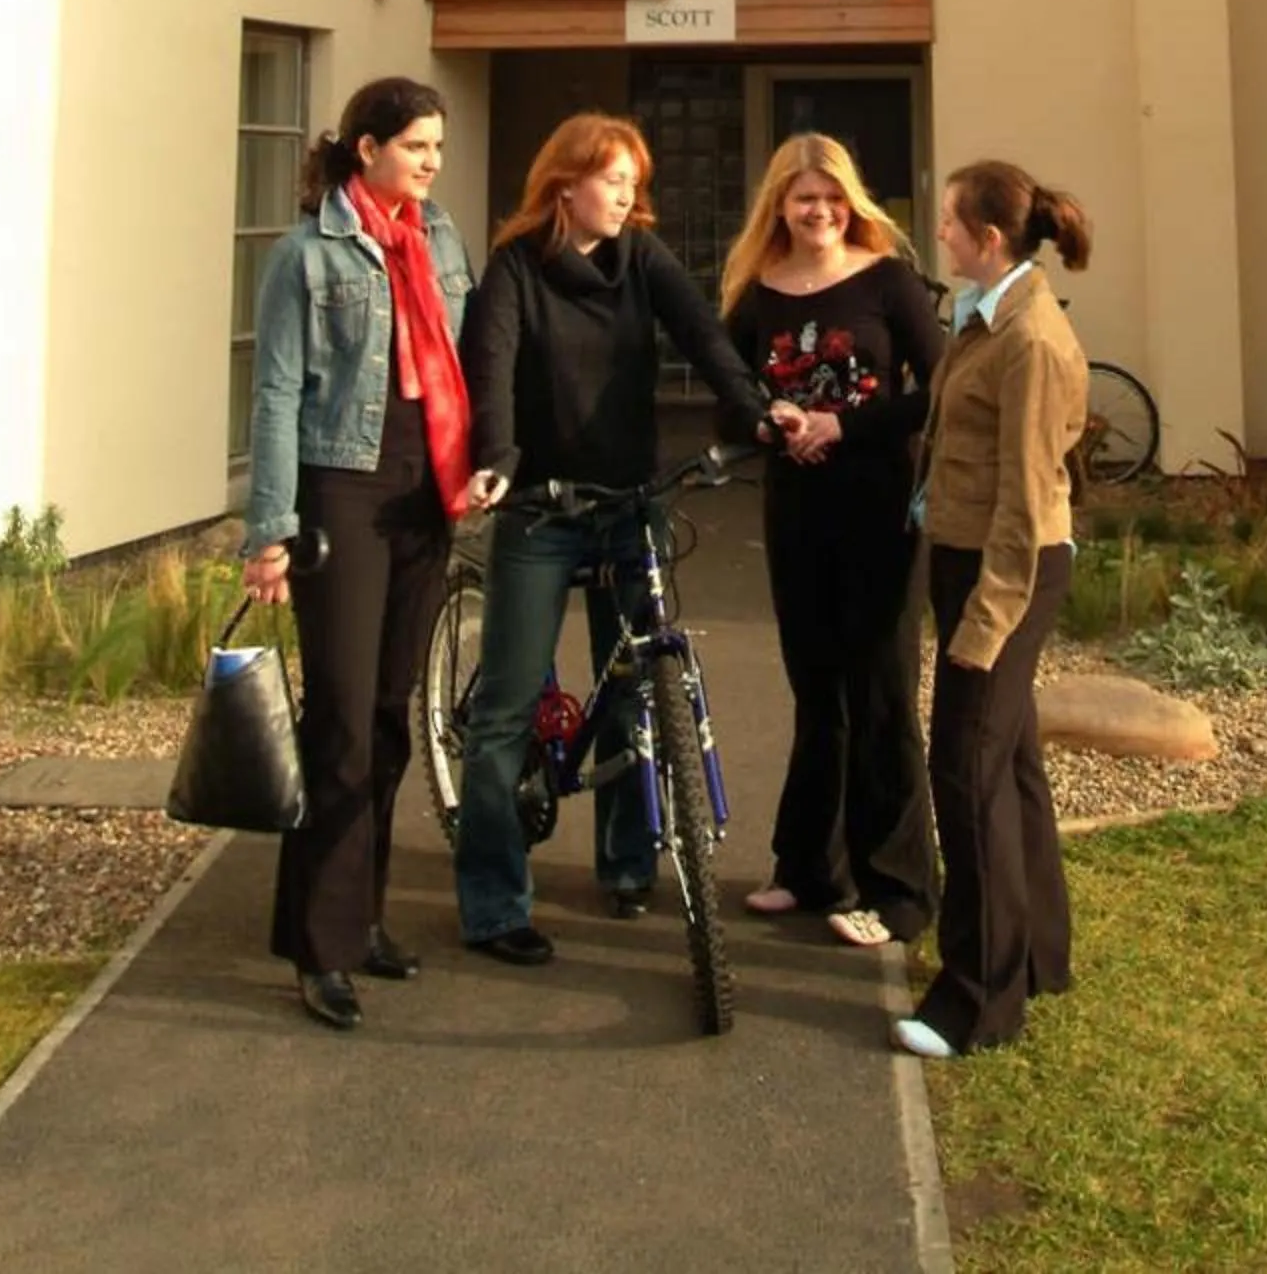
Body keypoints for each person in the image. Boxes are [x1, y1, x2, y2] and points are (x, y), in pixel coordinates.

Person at [453, 112, 787, 963]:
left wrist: (753, 411)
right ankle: (494, 905)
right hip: (541, 509)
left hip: (630, 502)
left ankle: (627, 861)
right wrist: (494, 459)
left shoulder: (642, 259)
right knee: (504, 712)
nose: (630, 195)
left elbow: (703, 337)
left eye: (635, 182)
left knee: (634, 687)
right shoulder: (515, 271)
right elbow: (488, 371)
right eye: (614, 180)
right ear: (565, 184)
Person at [242, 77, 491, 1031]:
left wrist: (485, 464)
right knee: (340, 722)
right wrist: (269, 529)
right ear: (367, 150)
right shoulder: (306, 257)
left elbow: (467, 363)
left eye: (438, 147)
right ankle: (318, 944)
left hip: (425, 490)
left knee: (392, 716)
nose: (432, 162)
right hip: (339, 485)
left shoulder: (440, 240)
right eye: (417, 146)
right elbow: (272, 396)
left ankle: (365, 916)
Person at [719, 132, 945, 948]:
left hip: (882, 507)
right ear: (778, 205)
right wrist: (773, 420)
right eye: (804, 198)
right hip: (796, 509)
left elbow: (939, 388)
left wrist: (841, 425)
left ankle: (901, 891)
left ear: (852, 202)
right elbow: (729, 395)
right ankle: (810, 868)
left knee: (881, 690)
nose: (820, 212)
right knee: (817, 690)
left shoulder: (888, 281)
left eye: (833, 198)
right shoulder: (757, 294)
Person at [893, 158, 1091, 1061]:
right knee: (1009, 764)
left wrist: (985, 623)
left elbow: (1026, 500)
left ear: (991, 239)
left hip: (1006, 572)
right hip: (972, 557)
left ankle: (977, 1000)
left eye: (949, 223)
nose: (940, 232)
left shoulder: (1031, 340)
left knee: (965, 773)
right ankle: (1040, 955)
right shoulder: (987, 316)